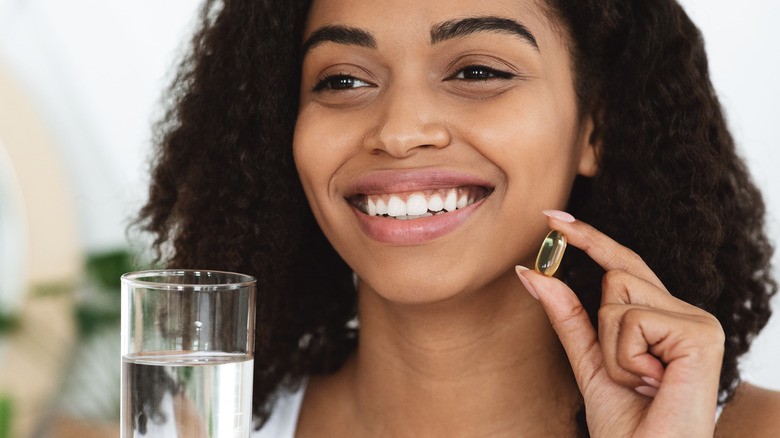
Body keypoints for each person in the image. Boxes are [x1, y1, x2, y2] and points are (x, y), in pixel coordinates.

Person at [136, 0, 780, 436]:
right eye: (343, 81)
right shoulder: (199, 426)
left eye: (477, 70)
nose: (399, 131)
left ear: (596, 127)